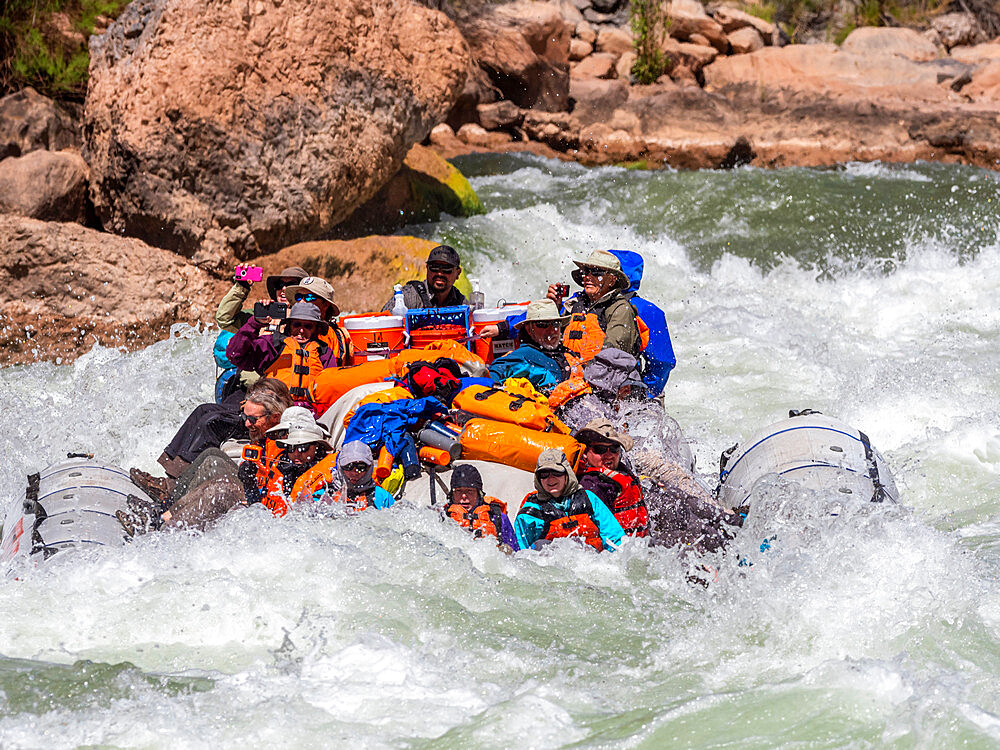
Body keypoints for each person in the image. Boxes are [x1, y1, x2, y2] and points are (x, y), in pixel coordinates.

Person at [132, 378, 294, 494]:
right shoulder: (268, 435)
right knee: (210, 449)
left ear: (274, 416)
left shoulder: (286, 438)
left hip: (254, 492)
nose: (246, 423)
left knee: (213, 449)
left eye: (252, 419)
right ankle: (171, 487)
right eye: (246, 418)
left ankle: (169, 495)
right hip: (254, 484)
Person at [227, 302, 343, 413]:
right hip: (273, 409)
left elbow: (331, 389)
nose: (301, 330)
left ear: (316, 329)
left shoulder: (324, 352)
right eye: (296, 324)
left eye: (308, 326)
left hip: (310, 412)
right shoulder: (272, 344)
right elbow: (236, 355)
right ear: (289, 326)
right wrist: (254, 323)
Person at [514, 448, 623, 551]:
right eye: (544, 474)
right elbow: (521, 554)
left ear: (567, 474)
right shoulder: (530, 513)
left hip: (592, 563)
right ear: (538, 479)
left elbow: (615, 538)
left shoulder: (589, 499)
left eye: (556, 472)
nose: (550, 479)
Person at [547, 250, 641, 362]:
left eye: (596, 272)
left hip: (599, 375)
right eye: (586, 271)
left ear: (611, 280)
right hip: (567, 370)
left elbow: (611, 358)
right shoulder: (575, 304)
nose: (588, 277)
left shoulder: (620, 309)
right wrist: (553, 308)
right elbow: (548, 340)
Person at [573, 419, 649, 538]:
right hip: (620, 548)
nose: (609, 455)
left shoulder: (620, 470)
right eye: (600, 450)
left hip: (638, 543)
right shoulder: (591, 485)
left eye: (614, 449)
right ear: (585, 452)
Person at [254, 409, 338, 516]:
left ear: (317, 446)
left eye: (303, 447)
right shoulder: (279, 465)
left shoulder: (332, 471)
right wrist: (249, 484)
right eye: (291, 447)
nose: (296, 453)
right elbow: (257, 504)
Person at [488, 299, 572, 392]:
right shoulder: (524, 354)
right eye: (543, 324)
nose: (552, 330)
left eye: (555, 323)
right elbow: (496, 369)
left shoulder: (567, 353)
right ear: (529, 329)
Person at [441, 464, 517, 551]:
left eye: (470, 491)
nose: (464, 496)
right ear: (452, 494)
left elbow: (516, 554)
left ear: (479, 494)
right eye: (459, 491)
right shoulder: (443, 517)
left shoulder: (497, 517)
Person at [282, 276, 351, 364]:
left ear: (326, 304)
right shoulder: (289, 327)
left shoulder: (327, 335)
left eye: (310, 297)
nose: (302, 301)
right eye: (298, 297)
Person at [382, 245, 466, 310]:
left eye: (447, 269)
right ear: (427, 268)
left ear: (458, 273)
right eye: (434, 267)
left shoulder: (462, 303)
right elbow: (381, 321)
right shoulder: (408, 297)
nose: (440, 273)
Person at [323, 440, 396, 511]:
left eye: (361, 467)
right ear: (340, 466)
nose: (354, 473)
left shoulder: (383, 496)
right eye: (348, 466)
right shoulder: (324, 494)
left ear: (369, 468)